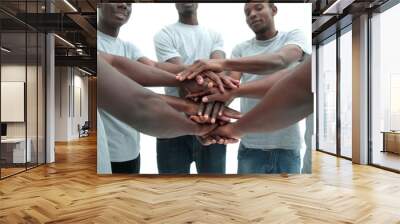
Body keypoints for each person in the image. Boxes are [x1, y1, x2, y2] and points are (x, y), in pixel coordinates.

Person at [180, 2, 311, 174]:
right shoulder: (241, 49)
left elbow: (280, 60)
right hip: (250, 146)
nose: (252, 14)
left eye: (258, 8)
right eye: (247, 12)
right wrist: (209, 118)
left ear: (274, 10)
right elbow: (228, 90)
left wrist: (221, 63)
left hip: (287, 145)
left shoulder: (293, 37)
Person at [152, 3, 231, 174]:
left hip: (211, 124)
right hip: (173, 127)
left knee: (213, 193)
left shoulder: (215, 35)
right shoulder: (164, 34)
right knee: (173, 194)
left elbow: (219, 71)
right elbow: (183, 79)